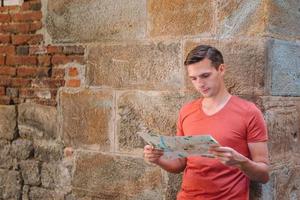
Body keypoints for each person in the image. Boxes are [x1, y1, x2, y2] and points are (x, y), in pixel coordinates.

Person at [143, 45, 269, 200]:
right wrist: (158, 160)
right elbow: (180, 164)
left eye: (205, 76)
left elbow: (264, 175)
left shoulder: (249, 112)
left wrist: (241, 162)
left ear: (221, 69)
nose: (199, 84)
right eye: (193, 79)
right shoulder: (186, 111)